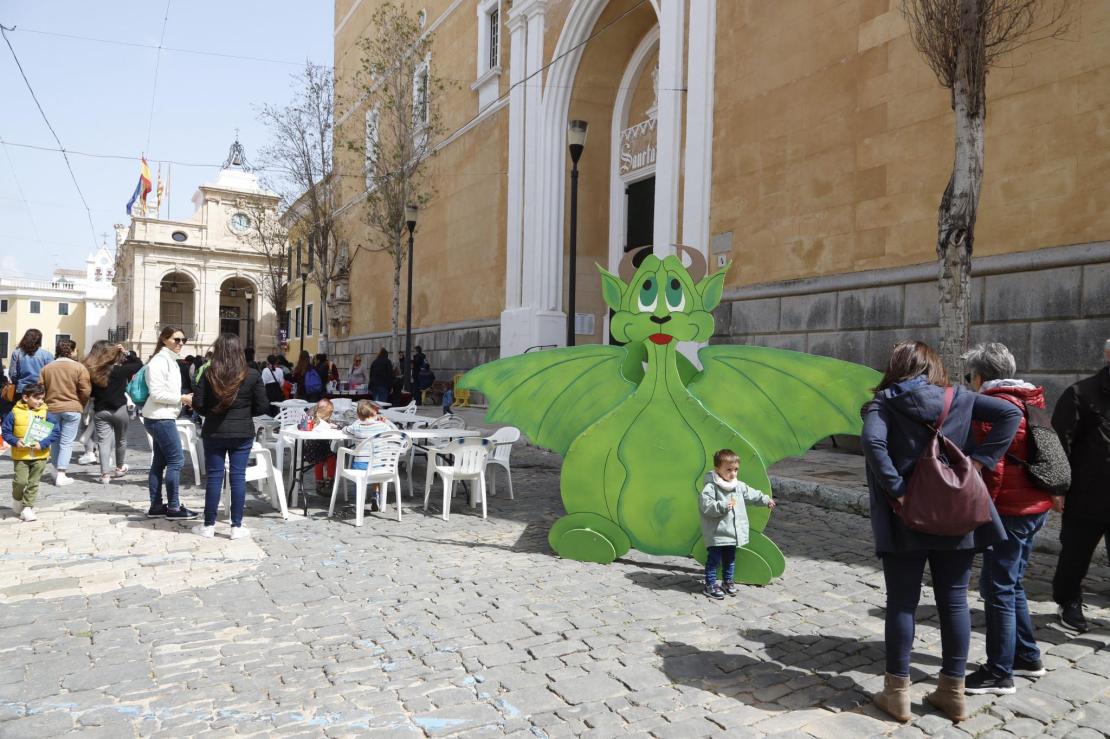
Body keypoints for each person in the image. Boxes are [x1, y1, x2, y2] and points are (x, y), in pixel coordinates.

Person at [861, 340, 1020, 724]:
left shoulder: (883, 403)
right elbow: (1010, 415)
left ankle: (897, 694)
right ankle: (953, 693)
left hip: (906, 518)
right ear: (933, 366)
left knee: (901, 603)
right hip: (956, 515)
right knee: (953, 602)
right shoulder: (961, 397)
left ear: (897, 366)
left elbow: (872, 441)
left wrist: (896, 488)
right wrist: (979, 464)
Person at [962, 343, 1055, 695]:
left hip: (1011, 512)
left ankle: (999, 672)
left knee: (996, 588)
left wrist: (983, 512)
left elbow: (994, 468)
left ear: (980, 376)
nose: (970, 383)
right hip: (1035, 505)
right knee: (1011, 583)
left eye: (971, 377)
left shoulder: (993, 407)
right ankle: (1028, 657)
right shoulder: (1029, 398)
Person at [1050, 338, 1110, 634]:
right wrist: (1058, 488)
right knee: (1075, 554)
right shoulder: (1079, 393)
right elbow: (1059, 443)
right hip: (1088, 494)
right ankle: (1068, 601)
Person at [193, 334, 269, 539]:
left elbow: (198, 405)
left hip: (214, 431)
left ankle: (209, 525)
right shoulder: (252, 374)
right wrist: (244, 413)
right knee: (238, 477)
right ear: (239, 351)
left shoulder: (209, 373)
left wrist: (212, 411)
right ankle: (236, 526)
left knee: (214, 477)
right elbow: (263, 406)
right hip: (242, 432)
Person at [698, 449, 776, 600]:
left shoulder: (738, 486)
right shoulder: (711, 487)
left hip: (732, 533)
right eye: (728, 470)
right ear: (717, 469)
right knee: (714, 560)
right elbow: (706, 506)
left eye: (735, 470)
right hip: (717, 533)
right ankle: (710, 584)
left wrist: (766, 500)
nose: (733, 473)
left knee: (730, 559)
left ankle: (727, 582)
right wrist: (722, 505)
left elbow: (753, 494)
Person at [143, 326, 197, 519]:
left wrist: (183, 398)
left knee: (159, 462)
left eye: (183, 340)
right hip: (160, 417)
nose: (181, 343)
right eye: (176, 339)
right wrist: (182, 398)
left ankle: (156, 506)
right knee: (176, 460)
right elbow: (157, 394)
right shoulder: (158, 362)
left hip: (163, 416)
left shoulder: (170, 361)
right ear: (164, 339)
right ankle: (173, 507)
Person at [83, 341, 143, 485]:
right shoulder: (120, 370)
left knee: (103, 442)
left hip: (100, 410)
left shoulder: (92, 371)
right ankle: (120, 467)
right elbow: (139, 365)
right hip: (120, 409)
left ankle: (104, 475)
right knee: (121, 440)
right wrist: (127, 353)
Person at [2, 383, 61, 522]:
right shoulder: (14, 413)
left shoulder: (46, 413)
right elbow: (6, 432)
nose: (40, 401)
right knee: (20, 481)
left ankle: (27, 508)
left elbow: (55, 431)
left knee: (33, 482)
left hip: (40, 455)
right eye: (37, 398)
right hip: (21, 455)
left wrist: (42, 444)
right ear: (25, 397)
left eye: (42, 398)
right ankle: (17, 499)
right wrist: (15, 441)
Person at [40, 339, 91, 487]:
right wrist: (80, 403)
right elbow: (86, 390)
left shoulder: (47, 368)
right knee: (67, 442)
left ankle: (56, 469)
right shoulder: (79, 368)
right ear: (72, 351)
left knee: (54, 440)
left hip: (51, 408)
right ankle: (61, 473)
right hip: (72, 407)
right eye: (76, 350)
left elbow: (40, 389)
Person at [342, 400, 397, 510]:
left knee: (363, 469)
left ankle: (360, 498)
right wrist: (386, 422)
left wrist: (356, 422)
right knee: (374, 464)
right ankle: (375, 494)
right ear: (375, 413)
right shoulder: (383, 426)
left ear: (358, 415)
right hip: (380, 465)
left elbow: (345, 430)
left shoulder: (356, 426)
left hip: (361, 466)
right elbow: (395, 431)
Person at [302, 398, 338, 494]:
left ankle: (327, 481)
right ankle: (322, 481)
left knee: (331, 458)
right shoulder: (317, 422)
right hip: (313, 451)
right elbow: (324, 427)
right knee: (322, 460)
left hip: (321, 449)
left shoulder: (319, 421)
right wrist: (331, 426)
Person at [9, 329, 54, 394]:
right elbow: (50, 375)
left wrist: (17, 382)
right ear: (39, 340)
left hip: (22, 389)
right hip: (40, 390)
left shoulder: (17, 353)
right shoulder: (47, 355)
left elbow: (12, 374)